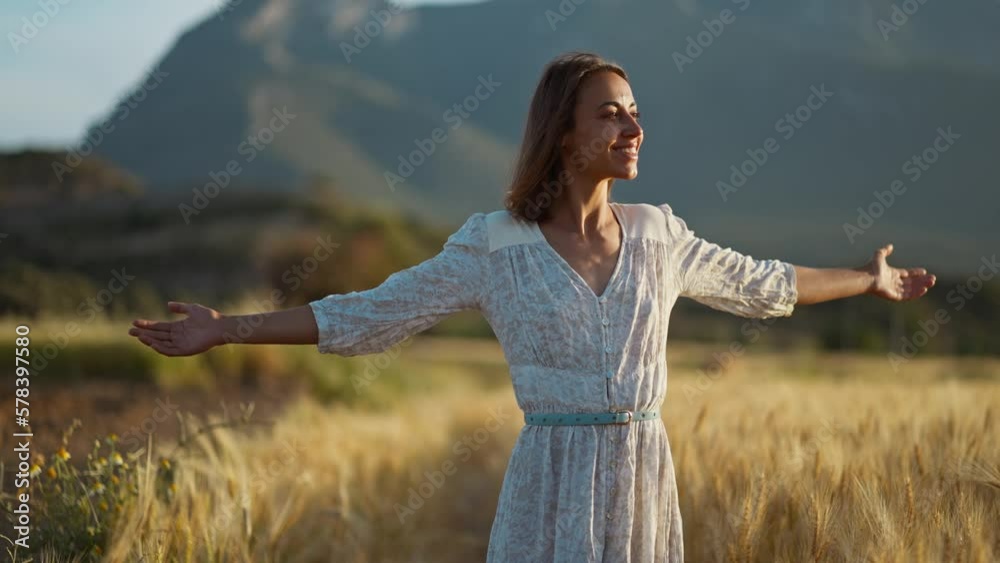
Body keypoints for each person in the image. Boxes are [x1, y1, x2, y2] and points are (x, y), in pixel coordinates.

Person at [128, 51, 937, 562]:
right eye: (611, 112)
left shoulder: (659, 233)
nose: (633, 125)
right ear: (562, 133)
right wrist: (225, 329)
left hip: (641, 479)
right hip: (547, 485)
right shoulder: (494, 246)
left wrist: (866, 278)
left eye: (635, 110)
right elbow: (369, 313)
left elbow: (765, 282)